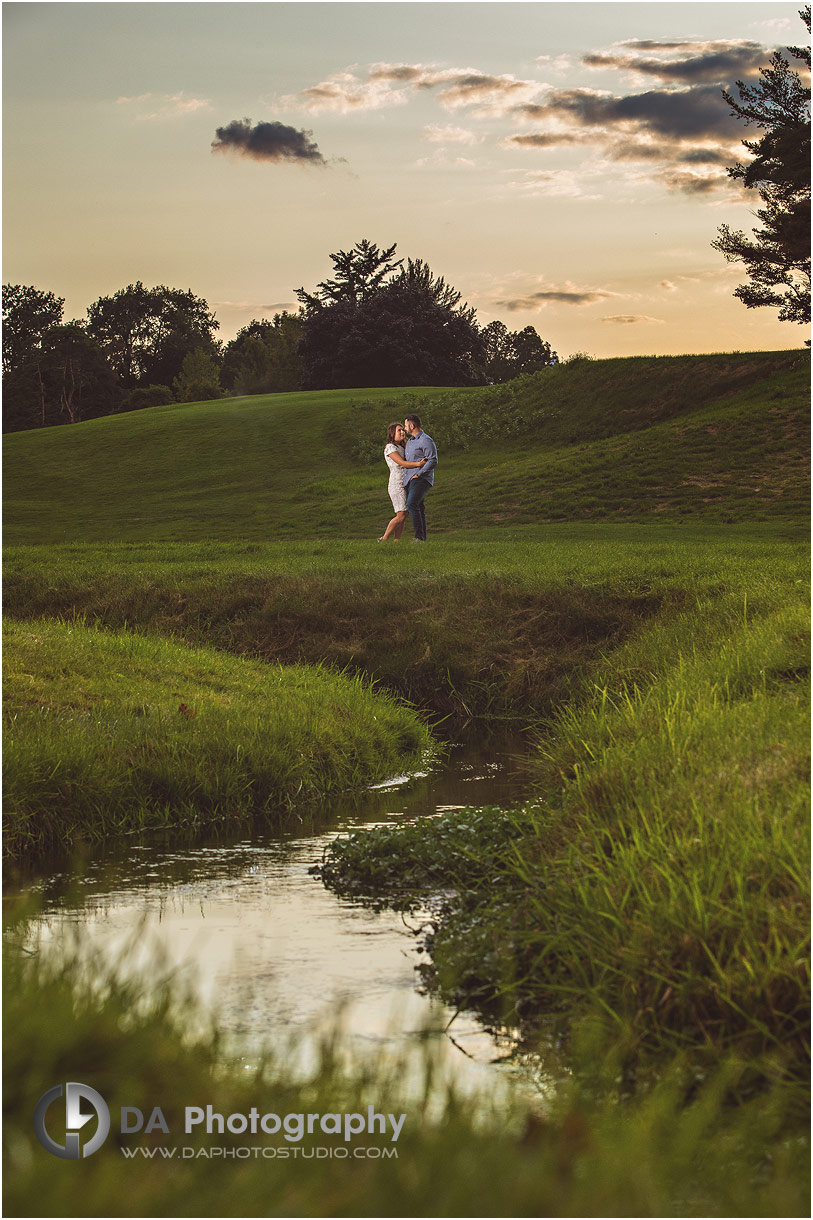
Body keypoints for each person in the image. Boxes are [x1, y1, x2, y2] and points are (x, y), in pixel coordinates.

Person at [378, 422, 427, 541]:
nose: (402, 432)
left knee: (404, 515)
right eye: (399, 430)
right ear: (392, 434)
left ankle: (397, 540)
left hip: (405, 482)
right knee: (401, 514)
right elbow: (402, 463)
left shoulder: (402, 447)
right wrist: (418, 464)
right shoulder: (390, 447)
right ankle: (384, 539)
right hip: (396, 484)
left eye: (402, 430)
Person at [403, 414, 437, 542]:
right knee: (418, 506)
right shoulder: (410, 441)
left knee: (412, 504)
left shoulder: (425, 440)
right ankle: (422, 538)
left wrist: (419, 474)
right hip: (410, 479)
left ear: (412, 426)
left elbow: (433, 460)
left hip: (421, 478)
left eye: (406, 425)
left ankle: (418, 537)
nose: (405, 428)